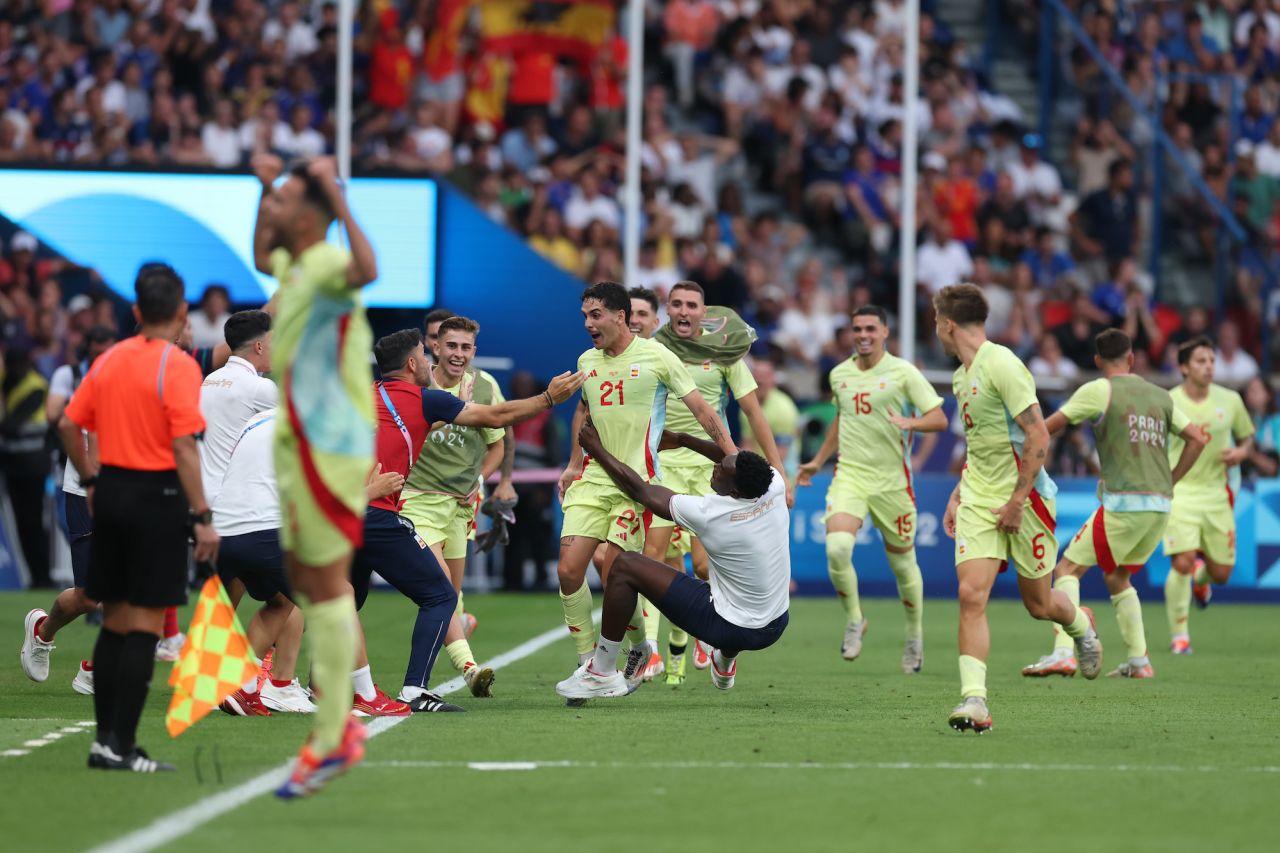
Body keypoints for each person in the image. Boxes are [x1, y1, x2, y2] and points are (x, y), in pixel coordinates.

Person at [356, 329, 582, 713]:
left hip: (344, 513)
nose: (430, 361)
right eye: (424, 356)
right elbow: (496, 416)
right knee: (441, 595)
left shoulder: (366, 396)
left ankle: (299, 682)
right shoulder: (425, 399)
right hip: (380, 515)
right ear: (412, 364)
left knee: (342, 599)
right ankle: (415, 690)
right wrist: (548, 398)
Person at [252, 153, 380, 799]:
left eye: (284, 200)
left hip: (333, 439)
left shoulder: (328, 263)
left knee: (323, 578)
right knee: (304, 578)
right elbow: (258, 252)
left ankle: (335, 733)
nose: (274, 209)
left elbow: (369, 269)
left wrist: (333, 189)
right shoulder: (294, 265)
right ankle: (337, 727)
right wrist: (263, 185)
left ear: (310, 216)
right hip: (301, 437)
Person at [55, 263, 216, 772]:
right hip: (157, 497)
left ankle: (106, 742)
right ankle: (122, 745)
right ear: (182, 311)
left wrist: (93, 480)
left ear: (137, 311)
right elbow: (184, 448)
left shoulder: (109, 359)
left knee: (116, 621)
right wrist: (203, 515)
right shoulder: (180, 365)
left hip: (112, 494)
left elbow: (65, 421)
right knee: (146, 624)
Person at [934, 283, 1102, 733]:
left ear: (949, 324)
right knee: (971, 595)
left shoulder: (1003, 364)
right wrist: (957, 493)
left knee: (1041, 604)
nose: (936, 331)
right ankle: (975, 701)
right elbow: (980, 443)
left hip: (1026, 502)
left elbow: (1038, 435)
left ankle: (1081, 626)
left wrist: (1016, 501)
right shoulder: (959, 377)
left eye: (936, 322)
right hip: (978, 499)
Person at [556, 281, 737, 689]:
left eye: (595, 315)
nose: (588, 323)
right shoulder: (587, 359)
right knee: (568, 571)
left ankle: (631, 648)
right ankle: (590, 663)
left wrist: (731, 456)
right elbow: (583, 414)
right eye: (584, 315)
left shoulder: (657, 357)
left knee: (614, 569)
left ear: (620, 316)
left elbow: (704, 410)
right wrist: (571, 464)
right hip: (592, 480)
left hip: (636, 485)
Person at [555, 421, 788, 699]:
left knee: (624, 565)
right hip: (776, 622)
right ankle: (724, 662)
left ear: (735, 492)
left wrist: (597, 449)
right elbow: (733, 456)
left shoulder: (713, 514)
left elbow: (641, 492)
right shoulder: (773, 483)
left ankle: (602, 672)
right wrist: (682, 439)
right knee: (735, 593)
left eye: (720, 471)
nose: (714, 467)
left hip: (730, 627)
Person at [1022, 330, 1206, 679]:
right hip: (1160, 506)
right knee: (1118, 577)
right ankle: (1139, 662)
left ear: (1097, 361)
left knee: (1066, 571)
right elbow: (1197, 438)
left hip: (1125, 503)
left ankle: (1063, 651)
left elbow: (1048, 428)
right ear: (1132, 359)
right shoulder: (1160, 395)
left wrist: (1019, 446)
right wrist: (1171, 479)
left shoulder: (1098, 390)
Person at [647, 281, 791, 685]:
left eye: (691, 305)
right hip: (662, 462)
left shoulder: (723, 352)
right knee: (653, 554)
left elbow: (753, 412)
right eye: (676, 304)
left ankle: (707, 633)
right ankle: (650, 652)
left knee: (704, 565)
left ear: (703, 311)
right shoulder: (653, 350)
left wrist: (781, 472)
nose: (683, 311)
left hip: (714, 470)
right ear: (668, 310)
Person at [796, 305, 947, 671]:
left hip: (893, 482)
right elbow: (842, 420)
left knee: (903, 566)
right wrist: (818, 460)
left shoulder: (903, 372)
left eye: (870, 328)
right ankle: (854, 619)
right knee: (837, 547)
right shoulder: (840, 374)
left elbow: (939, 418)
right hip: (850, 475)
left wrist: (910, 421)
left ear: (884, 333)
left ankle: (914, 636)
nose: (863, 335)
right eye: (857, 328)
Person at [399, 316, 518, 698]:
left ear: (474, 351)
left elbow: (498, 442)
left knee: (450, 591)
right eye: (451, 346)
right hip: (416, 498)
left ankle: (440, 660)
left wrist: (482, 480)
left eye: (466, 347)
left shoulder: (485, 385)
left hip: (460, 506)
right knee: (439, 590)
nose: (458, 354)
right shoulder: (414, 383)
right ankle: (468, 669)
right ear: (435, 346)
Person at [20, 326, 116, 695]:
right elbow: (71, 426)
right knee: (91, 594)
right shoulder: (98, 383)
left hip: (129, 492)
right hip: (86, 492)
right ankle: (42, 631)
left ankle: (95, 670)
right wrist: (94, 481)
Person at [212, 408, 316, 716]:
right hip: (259, 528)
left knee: (280, 600)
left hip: (222, 528)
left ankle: (241, 687)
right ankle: (280, 686)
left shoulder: (258, 419)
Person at [1163, 336, 1254, 655]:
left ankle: (1203, 581)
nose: (1209, 367)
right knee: (1183, 562)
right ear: (1184, 367)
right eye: (1201, 361)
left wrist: (1242, 452)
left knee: (1222, 573)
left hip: (1217, 493)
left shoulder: (1230, 400)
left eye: (1212, 361)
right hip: (1181, 491)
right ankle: (1180, 637)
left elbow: (1247, 437)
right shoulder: (1168, 401)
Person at [198, 310, 276, 510]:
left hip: (204, 494)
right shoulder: (260, 387)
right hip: (237, 501)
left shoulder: (209, 379)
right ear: (259, 346)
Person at [1, 347, 49, 588]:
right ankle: (35, 576)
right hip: (13, 465)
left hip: (33, 466)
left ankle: (43, 576)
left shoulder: (36, 386)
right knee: (23, 524)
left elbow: (10, 425)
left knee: (32, 523)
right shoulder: (8, 380)